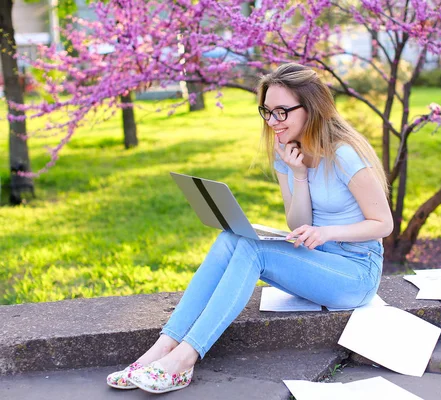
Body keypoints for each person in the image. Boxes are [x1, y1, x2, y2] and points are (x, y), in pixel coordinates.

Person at [106, 63, 393, 394]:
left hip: (355, 273)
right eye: (267, 112)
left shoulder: (344, 154)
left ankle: (185, 359)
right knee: (232, 237)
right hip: (317, 259)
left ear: (311, 108)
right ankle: (162, 348)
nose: (272, 122)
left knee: (253, 249)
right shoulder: (286, 151)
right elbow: (299, 225)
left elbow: (383, 224)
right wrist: (298, 174)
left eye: (282, 112)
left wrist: (328, 233)